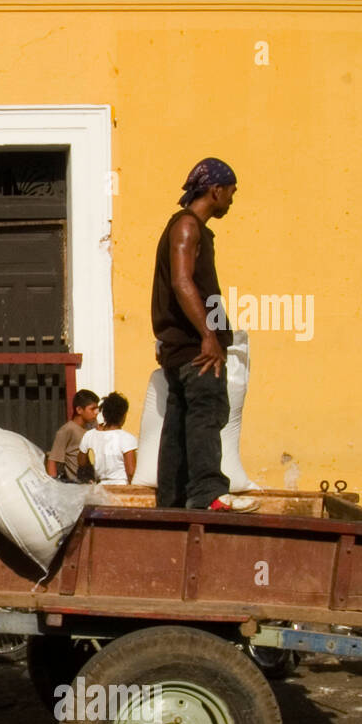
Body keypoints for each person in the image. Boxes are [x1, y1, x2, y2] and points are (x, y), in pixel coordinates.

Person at [150, 157, 259, 512]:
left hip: (182, 347)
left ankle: (172, 500)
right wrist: (209, 335)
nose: (231, 199)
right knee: (206, 413)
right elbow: (182, 283)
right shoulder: (187, 226)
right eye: (231, 192)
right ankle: (209, 493)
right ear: (216, 190)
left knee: (179, 422)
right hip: (197, 347)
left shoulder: (185, 227)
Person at [79, 391, 138, 485]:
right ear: (123, 415)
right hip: (122, 488)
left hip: (100, 488)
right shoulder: (127, 438)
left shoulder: (89, 436)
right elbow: (131, 473)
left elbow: (82, 463)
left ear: (104, 414)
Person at [46, 389, 99, 482]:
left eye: (97, 409)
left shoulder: (92, 427)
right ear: (79, 410)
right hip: (77, 485)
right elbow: (53, 460)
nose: (96, 412)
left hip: (92, 483)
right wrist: (53, 487)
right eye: (92, 409)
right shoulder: (67, 430)